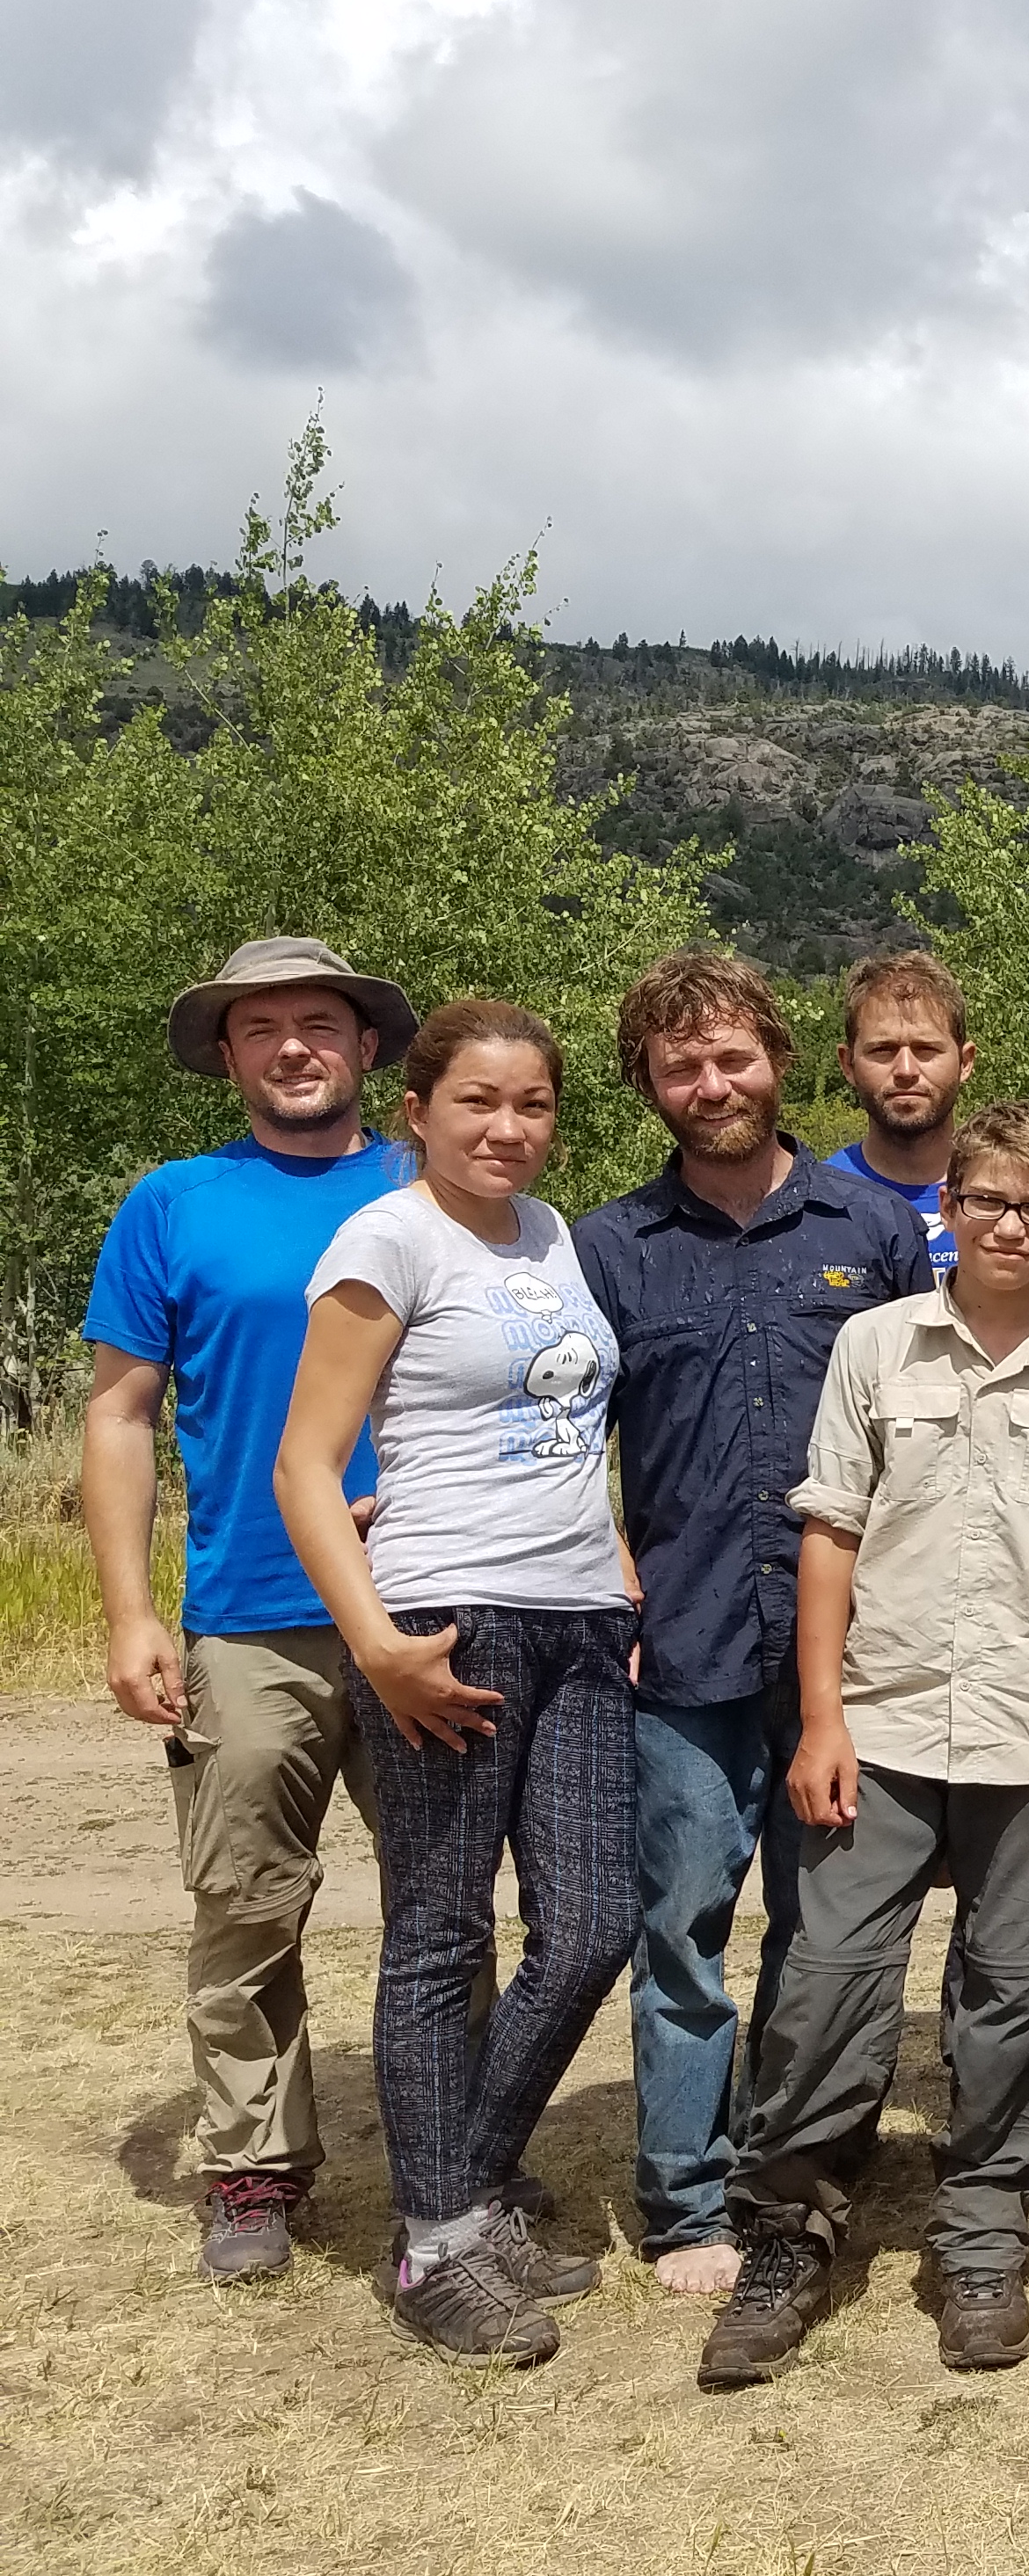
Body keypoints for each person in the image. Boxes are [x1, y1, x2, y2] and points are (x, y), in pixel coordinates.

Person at [695, 1102, 1029, 2385]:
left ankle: (983, 2224)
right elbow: (828, 1532)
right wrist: (822, 1715)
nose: (1012, 1225)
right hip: (881, 1723)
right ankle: (787, 2226)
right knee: (829, 1976)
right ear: (946, 1206)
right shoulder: (875, 1346)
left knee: (1015, 1991)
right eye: (989, 1200)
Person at [274, 999, 638, 2368]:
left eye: (533, 1104)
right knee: (438, 1930)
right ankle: (439, 2239)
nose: (508, 1128)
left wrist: (611, 1562)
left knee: (596, 1919)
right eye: (478, 1102)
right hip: (445, 1617)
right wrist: (373, 1642)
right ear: (416, 1110)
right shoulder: (386, 1239)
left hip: (581, 1621)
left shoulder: (548, 1237)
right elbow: (307, 1465)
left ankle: (462, 2193)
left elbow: (564, 1430)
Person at [575, 950, 931, 2293]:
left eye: (733, 1057)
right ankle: (685, 2202)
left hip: (848, 1645)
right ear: (650, 1084)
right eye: (682, 1065)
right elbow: (569, 1439)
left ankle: (800, 2161)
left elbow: (921, 1438)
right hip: (681, 1641)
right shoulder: (608, 1248)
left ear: (780, 1058)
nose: (712, 1083)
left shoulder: (868, 1232)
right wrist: (606, 1568)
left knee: (825, 1926)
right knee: (683, 1926)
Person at [82, 938, 418, 2281]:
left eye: (318, 1023)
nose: (292, 1046)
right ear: (225, 1056)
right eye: (260, 1026)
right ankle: (254, 2168)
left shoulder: (438, 1180)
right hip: (246, 1615)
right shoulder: (171, 1205)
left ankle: (455, 2155)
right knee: (244, 1905)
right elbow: (119, 1415)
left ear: (367, 1048)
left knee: (441, 1906)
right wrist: (128, 1611)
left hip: (429, 1610)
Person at [827, 948, 978, 1270]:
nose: (906, 1069)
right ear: (847, 1064)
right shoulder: (816, 1205)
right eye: (883, 1050)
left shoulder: (1010, 1201)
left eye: (926, 1049)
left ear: (965, 1062)